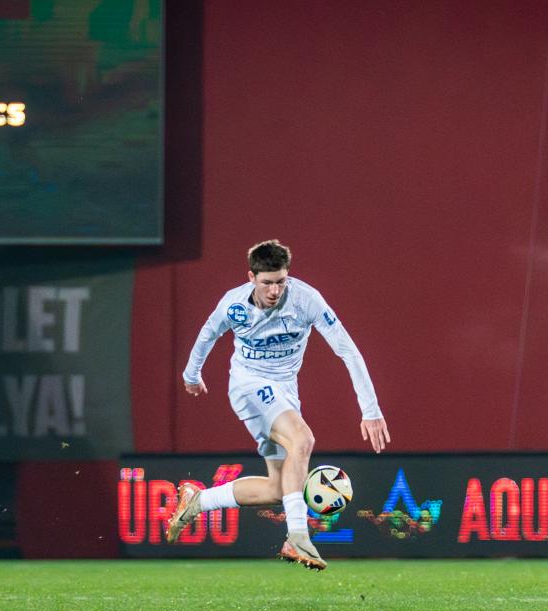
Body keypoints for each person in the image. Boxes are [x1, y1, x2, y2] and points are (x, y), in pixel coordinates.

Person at [167, 239, 390, 570]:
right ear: (251, 278)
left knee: (279, 488)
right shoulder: (233, 304)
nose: (274, 291)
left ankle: (199, 500)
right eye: (267, 282)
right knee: (303, 439)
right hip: (248, 385)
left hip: (284, 391)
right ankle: (297, 537)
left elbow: (348, 350)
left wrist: (370, 410)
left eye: (281, 282)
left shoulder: (306, 300)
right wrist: (191, 375)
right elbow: (207, 334)